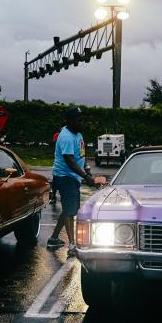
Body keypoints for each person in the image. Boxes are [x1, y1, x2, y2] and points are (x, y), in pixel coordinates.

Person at [47, 107, 96, 249]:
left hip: (73, 177)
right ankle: (72, 245)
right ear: (69, 121)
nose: (81, 122)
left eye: (82, 119)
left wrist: (86, 167)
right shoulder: (66, 137)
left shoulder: (78, 134)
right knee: (70, 211)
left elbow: (79, 155)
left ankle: (54, 238)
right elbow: (69, 161)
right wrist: (86, 177)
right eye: (78, 119)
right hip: (64, 176)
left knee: (70, 209)